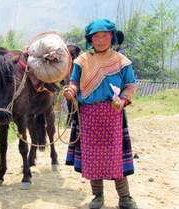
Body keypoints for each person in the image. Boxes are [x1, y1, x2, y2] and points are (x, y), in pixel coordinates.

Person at [63, 19, 138, 209]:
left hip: (113, 114)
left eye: (104, 35)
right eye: (96, 36)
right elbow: (74, 82)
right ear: (90, 39)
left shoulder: (122, 62)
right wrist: (71, 90)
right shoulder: (82, 61)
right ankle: (98, 196)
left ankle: (125, 198)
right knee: (92, 157)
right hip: (88, 115)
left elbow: (130, 86)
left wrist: (122, 101)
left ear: (112, 36)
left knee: (115, 157)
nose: (100, 40)